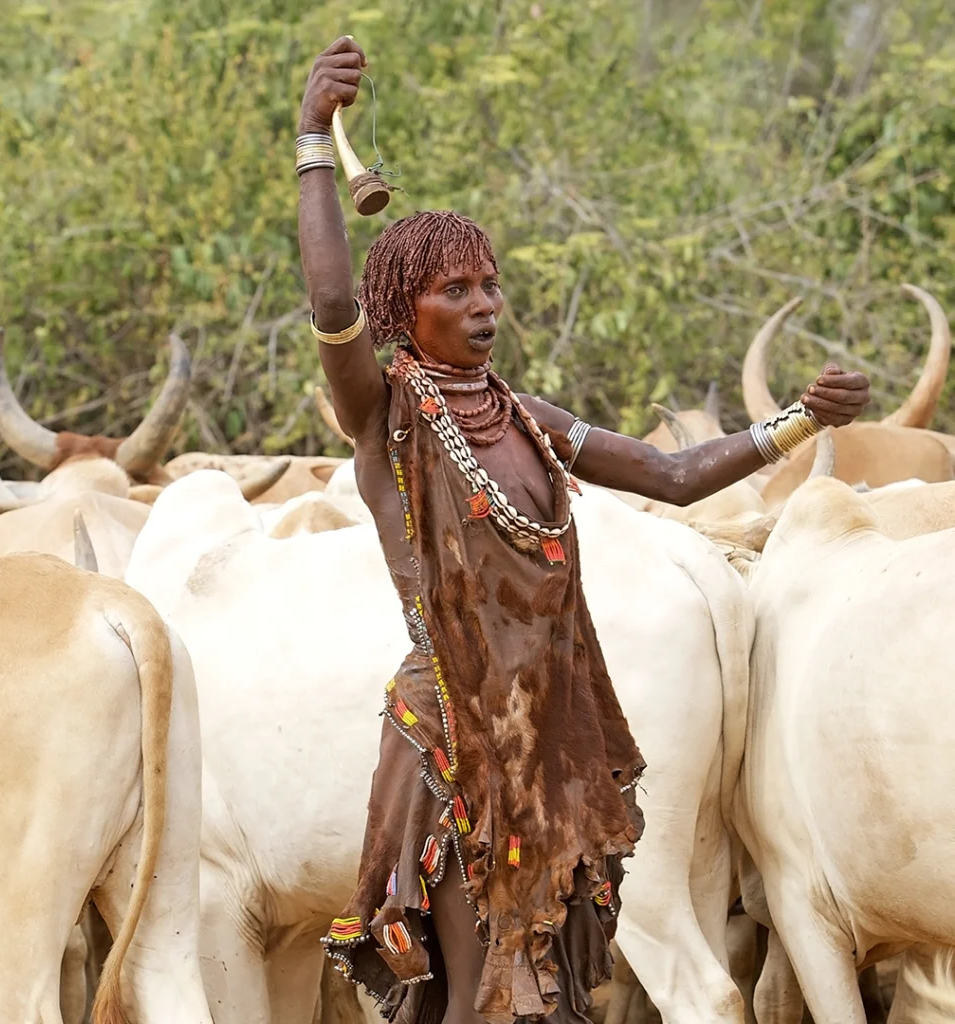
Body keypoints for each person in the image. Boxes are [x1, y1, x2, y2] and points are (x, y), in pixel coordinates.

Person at [296, 36, 870, 1024]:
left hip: (551, 743)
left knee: (556, 995)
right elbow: (329, 300)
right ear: (404, 307)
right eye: (454, 292)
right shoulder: (388, 411)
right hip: (456, 748)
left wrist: (801, 420)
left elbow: (675, 475)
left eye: (490, 286)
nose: (482, 308)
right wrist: (314, 136)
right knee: (485, 998)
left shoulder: (528, 415)